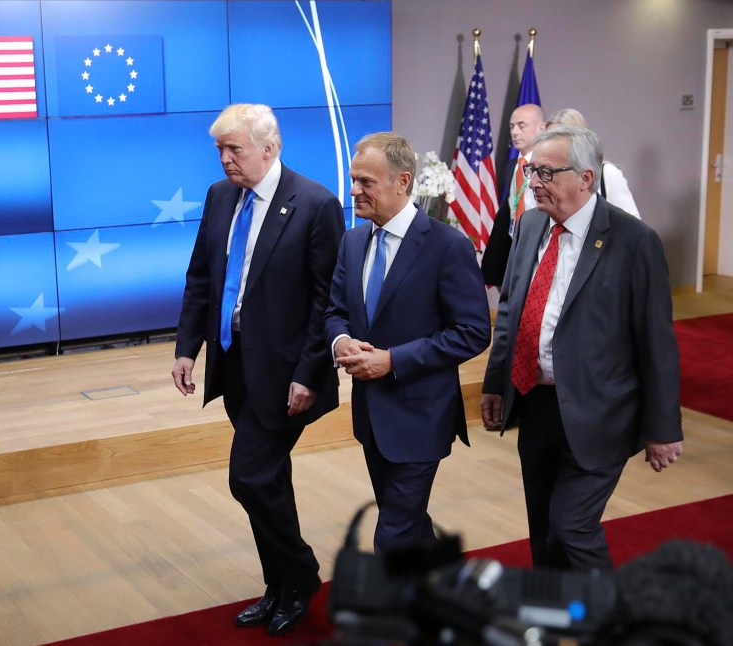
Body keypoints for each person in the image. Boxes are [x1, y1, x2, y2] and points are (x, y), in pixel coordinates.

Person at [171, 104, 344, 636]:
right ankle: (281, 586)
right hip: (234, 362)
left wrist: (309, 373)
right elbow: (202, 276)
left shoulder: (316, 204)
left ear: (269, 149)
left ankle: (300, 574)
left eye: (234, 149)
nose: (224, 160)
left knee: (248, 476)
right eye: (219, 150)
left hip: (288, 373)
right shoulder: (221, 197)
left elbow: (326, 300)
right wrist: (187, 347)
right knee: (268, 479)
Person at [480, 126, 683, 571]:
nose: (533, 182)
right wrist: (496, 384)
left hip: (599, 412)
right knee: (543, 528)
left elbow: (657, 342)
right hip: (535, 403)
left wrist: (663, 428)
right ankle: (555, 615)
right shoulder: (531, 223)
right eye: (532, 170)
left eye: (547, 173)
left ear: (586, 179)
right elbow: (511, 311)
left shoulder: (634, 241)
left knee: (572, 525)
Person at [324, 132, 490, 553]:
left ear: (403, 181)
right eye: (353, 179)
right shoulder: (353, 240)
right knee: (407, 520)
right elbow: (334, 312)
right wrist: (341, 341)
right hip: (372, 417)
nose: (354, 190)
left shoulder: (448, 246)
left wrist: (393, 360)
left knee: (393, 532)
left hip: (422, 416)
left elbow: (473, 331)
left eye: (366, 182)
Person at [482, 103, 547, 287]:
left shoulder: (547, 166)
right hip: (511, 246)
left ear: (541, 127)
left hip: (538, 246)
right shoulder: (512, 166)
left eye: (521, 125)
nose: (515, 132)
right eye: (512, 127)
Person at [546, 108, 641, 218]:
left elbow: (634, 224)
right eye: (548, 139)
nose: (550, 146)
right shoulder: (545, 178)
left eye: (558, 139)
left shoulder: (607, 174)